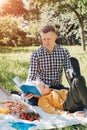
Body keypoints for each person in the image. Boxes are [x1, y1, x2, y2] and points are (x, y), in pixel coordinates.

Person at [26, 25, 72, 105]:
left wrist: (74, 87)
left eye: (49, 39)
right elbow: (31, 76)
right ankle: (22, 95)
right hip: (43, 89)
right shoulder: (36, 54)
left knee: (74, 97)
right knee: (31, 101)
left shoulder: (64, 52)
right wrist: (26, 90)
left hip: (57, 87)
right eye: (44, 39)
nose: (46, 42)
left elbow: (68, 72)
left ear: (55, 37)